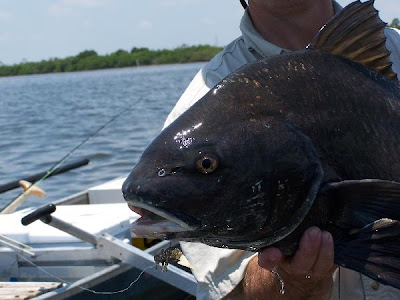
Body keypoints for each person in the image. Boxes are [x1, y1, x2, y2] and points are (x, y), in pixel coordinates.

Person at [162, 0, 400, 299]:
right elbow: (234, 293)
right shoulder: (192, 121)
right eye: (207, 165)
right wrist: (295, 281)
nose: (206, 166)